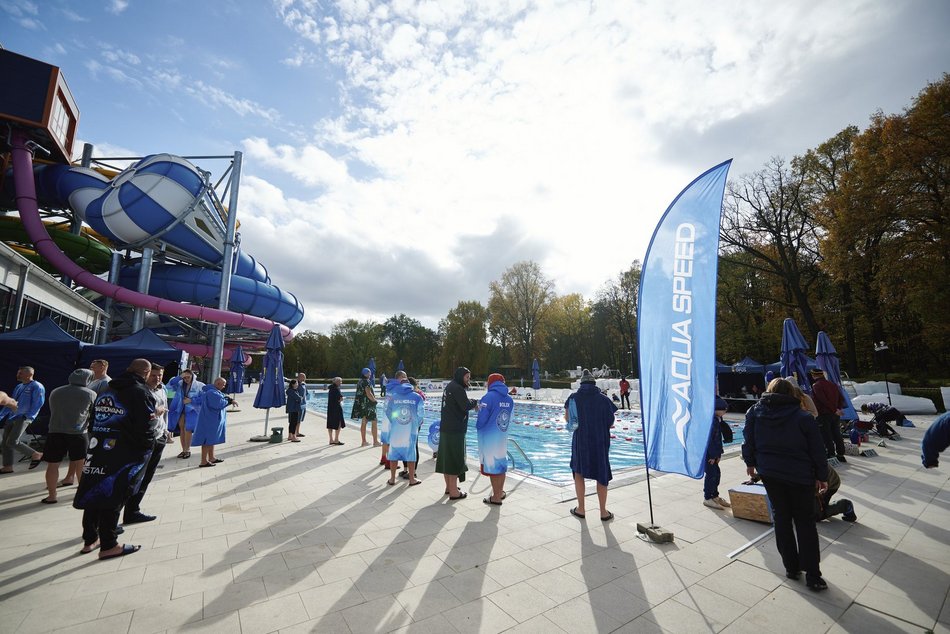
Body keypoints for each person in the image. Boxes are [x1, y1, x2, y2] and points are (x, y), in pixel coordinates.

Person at [742, 378, 829, 591]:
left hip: (770, 472)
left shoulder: (755, 412)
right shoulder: (803, 417)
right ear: (792, 393)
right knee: (805, 523)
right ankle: (812, 574)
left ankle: (791, 567)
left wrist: (750, 463)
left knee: (782, 518)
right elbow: (817, 448)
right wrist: (822, 475)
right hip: (799, 475)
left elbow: (748, 439)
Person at [74, 358, 155, 559]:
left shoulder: (107, 389)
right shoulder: (140, 392)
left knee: (94, 490)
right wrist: (147, 448)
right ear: (145, 372)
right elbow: (145, 426)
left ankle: (90, 538)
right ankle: (109, 544)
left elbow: (94, 417)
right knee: (116, 493)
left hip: (99, 447)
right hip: (125, 452)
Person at [565, 369, 617, 521]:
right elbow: (611, 421)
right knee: (601, 474)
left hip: (580, 441)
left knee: (578, 472)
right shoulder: (603, 399)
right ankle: (603, 512)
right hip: (599, 442)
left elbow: (568, 419)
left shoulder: (573, 398)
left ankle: (581, 509)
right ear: (594, 383)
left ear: (581, 384)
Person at [122, 363, 169, 524]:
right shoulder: (139, 391)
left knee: (147, 476)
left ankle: (133, 511)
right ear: (146, 374)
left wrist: (166, 430)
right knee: (133, 477)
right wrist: (156, 413)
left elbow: (165, 411)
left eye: (160, 375)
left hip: (158, 436)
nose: (157, 378)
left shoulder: (163, 389)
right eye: (154, 375)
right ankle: (115, 515)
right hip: (142, 439)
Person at [41, 369, 96, 503]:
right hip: (78, 433)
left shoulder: (56, 391)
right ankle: (81, 494)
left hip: (55, 431)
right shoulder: (90, 394)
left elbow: (53, 409)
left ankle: (52, 496)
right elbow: (93, 414)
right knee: (80, 464)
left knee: (53, 465)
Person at [436, 367, 478, 500]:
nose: (468, 380)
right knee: (454, 460)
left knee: (447, 459)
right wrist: (475, 402)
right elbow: (465, 405)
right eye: (467, 377)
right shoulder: (457, 388)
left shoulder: (450, 386)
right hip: (455, 430)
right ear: (461, 376)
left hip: (446, 428)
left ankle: (449, 487)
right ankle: (454, 492)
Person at [0, 366, 46, 473]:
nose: (18, 375)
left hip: (23, 417)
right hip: (12, 417)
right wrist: (1, 416)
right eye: (18, 373)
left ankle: (36, 454)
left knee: (12, 441)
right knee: (5, 444)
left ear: (29, 374)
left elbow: (38, 403)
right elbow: (10, 402)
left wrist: (29, 416)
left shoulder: (37, 386)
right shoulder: (19, 387)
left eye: (20, 373)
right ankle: (8, 467)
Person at [477, 373, 514, 505]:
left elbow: (481, 420)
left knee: (493, 467)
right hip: (502, 437)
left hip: (489, 438)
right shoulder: (510, 399)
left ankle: (496, 497)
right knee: (501, 465)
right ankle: (500, 492)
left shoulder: (488, 397)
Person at [385, 371, 424, 486]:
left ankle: (392, 479)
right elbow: (421, 414)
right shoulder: (417, 397)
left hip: (396, 431)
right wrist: (415, 424)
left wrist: (396, 422)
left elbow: (388, 412)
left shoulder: (393, 397)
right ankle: (412, 479)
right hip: (410, 431)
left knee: (393, 454)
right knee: (411, 454)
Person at [191, 377, 232, 467]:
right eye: (223, 384)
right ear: (217, 384)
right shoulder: (212, 393)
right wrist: (228, 401)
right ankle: (203, 461)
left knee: (211, 440)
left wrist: (227, 399)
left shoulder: (213, 391)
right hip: (209, 420)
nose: (224, 386)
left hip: (211, 419)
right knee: (207, 441)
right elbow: (218, 404)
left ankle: (211, 457)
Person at [810, 368, 847, 462]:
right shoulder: (833, 384)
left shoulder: (816, 385)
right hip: (835, 413)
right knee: (837, 433)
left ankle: (831, 453)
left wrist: (834, 410)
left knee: (826, 435)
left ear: (815, 375)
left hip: (824, 413)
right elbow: (841, 398)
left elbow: (823, 400)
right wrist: (838, 409)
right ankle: (841, 453)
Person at [703, 396, 733, 510]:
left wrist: (719, 454)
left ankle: (715, 495)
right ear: (717, 409)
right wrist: (712, 455)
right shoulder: (711, 421)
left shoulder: (717, 420)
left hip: (714, 454)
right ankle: (707, 498)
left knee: (717, 474)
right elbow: (710, 440)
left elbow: (718, 440)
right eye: (724, 410)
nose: (725, 412)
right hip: (709, 455)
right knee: (711, 475)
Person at [168, 369, 203, 458]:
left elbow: (204, 398)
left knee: (188, 430)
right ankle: (184, 450)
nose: (186, 379)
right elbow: (171, 384)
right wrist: (180, 377)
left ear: (193, 376)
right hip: (180, 409)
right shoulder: (180, 384)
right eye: (184, 377)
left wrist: (191, 400)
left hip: (192, 410)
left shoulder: (200, 385)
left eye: (188, 377)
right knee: (182, 429)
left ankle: (187, 450)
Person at [351, 368, 379, 447]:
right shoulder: (367, 382)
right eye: (369, 373)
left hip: (361, 405)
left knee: (364, 422)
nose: (370, 375)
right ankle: (375, 442)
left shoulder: (360, 381)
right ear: (365, 374)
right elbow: (368, 393)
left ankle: (364, 442)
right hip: (368, 405)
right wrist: (374, 400)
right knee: (374, 421)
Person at [326, 377, 345, 445]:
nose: (341, 383)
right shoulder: (336, 389)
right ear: (336, 382)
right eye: (340, 382)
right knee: (339, 423)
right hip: (336, 408)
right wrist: (341, 399)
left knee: (330, 424)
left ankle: (331, 439)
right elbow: (340, 398)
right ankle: (336, 439)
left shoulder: (330, 388)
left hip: (330, 408)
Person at [295, 373, 308, 437]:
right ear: (299, 377)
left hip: (303, 404)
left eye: (304, 377)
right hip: (298, 404)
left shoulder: (304, 384)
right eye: (303, 377)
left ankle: (297, 432)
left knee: (300, 419)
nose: (304, 379)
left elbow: (306, 393)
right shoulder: (296, 384)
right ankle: (295, 432)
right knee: (297, 419)